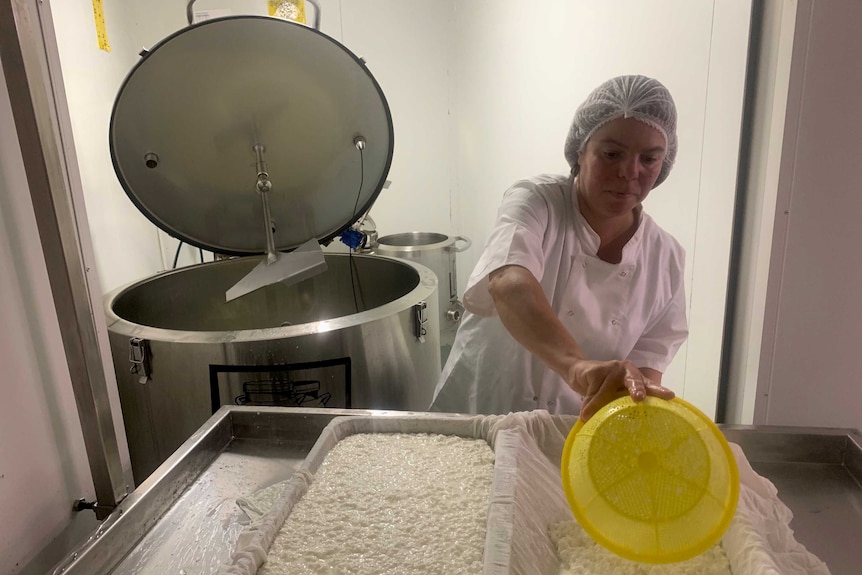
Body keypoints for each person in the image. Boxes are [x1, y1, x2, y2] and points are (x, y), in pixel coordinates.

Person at [430, 75, 688, 421]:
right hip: (487, 406)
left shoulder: (665, 258)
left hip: (575, 425)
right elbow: (508, 279)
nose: (629, 172)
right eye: (612, 154)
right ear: (581, 150)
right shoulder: (538, 202)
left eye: (649, 159)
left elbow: (642, 374)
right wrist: (576, 367)